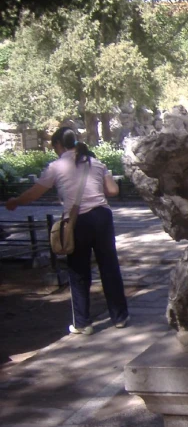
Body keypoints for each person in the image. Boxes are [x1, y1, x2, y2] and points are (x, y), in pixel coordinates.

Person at [5, 126, 129, 335]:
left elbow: (35, 192)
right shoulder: (95, 163)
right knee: (109, 266)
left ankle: (82, 323)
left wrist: (16, 201)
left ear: (58, 145)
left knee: (78, 270)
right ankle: (119, 317)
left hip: (77, 220)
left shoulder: (56, 166)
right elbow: (113, 191)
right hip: (102, 217)